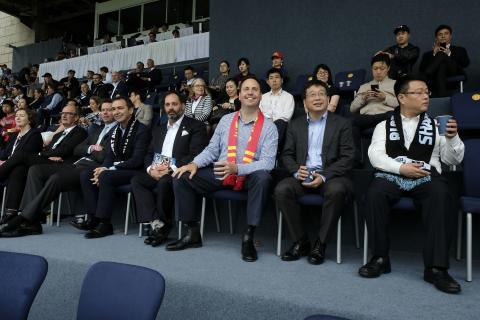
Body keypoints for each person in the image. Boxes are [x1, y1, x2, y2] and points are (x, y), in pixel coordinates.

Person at [359, 75, 464, 294]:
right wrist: (400, 169)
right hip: (393, 174)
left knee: (442, 193)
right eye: (419, 92)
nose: (426, 96)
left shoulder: (436, 125)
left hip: (426, 176)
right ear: (402, 98)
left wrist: (453, 139)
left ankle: (436, 268)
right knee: (374, 193)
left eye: (427, 92)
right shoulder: (383, 125)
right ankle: (380, 258)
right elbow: (375, 156)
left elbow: (452, 160)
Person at [167, 76, 278, 262]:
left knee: (263, 177)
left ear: (261, 96)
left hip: (248, 175)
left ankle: (248, 237)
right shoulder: (226, 120)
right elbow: (212, 150)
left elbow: (268, 163)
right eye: (246, 89)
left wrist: (238, 168)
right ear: (239, 95)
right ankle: (192, 232)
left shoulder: (270, 127)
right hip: (221, 172)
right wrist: (194, 164)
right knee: (182, 176)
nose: (250, 92)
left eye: (255, 89)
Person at [2, 100, 117, 237]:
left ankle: (25, 218)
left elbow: (94, 154)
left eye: (109, 110)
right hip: (72, 164)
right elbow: (78, 150)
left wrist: (88, 149)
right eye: (63, 113)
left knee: (25, 160)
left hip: (80, 166)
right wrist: (92, 148)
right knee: (30, 170)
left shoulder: (84, 131)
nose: (105, 112)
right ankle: (30, 221)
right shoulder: (95, 130)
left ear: (76, 118)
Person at [275, 79, 354, 264]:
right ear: (304, 102)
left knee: (336, 191)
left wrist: (324, 175)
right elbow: (286, 154)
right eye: (312, 94)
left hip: (331, 175)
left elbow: (348, 157)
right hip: (303, 174)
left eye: (321, 94)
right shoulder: (295, 125)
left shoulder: (342, 123)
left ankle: (320, 244)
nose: (317, 98)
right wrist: (296, 171)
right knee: (282, 189)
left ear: (328, 99)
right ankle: (300, 241)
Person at [132, 91, 208, 247]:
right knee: (137, 180)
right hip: (156, 170)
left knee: (165, 182)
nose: (171, 108)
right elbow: (148, 153)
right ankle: (156, 222)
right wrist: (150, 170)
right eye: (167, 105)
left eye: (174, 104)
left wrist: (170, 168)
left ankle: (164, 227)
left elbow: (196, 153)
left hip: (177, 171)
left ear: (181, 105)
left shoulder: (196, 126)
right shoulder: (158, 129)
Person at [0, 104, 87, 231]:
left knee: (20, 156)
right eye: (62, 113)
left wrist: (46, 154)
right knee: (21, 169)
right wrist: (49, 153)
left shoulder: (80, 132)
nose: (64, 115)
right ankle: (24, 216)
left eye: (69, 113)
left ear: (76, 117)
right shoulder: (58, 134)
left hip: (64, 166)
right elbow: (50, 150)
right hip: (49, 162)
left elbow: (65, 150)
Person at [78, 97, 150, 238]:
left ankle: (105, 224)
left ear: (130, 110)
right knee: (87, 174)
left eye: (120, 108)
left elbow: (137, 160)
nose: (116, 112)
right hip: (118, 170)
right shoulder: (115, 131)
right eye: (113, 109)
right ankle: (94, 218)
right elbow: (110, 157)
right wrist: (102, 169)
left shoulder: (141, 130)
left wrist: (108, 170)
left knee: (106, 175)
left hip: (136, 171)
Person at [350, 54, 398, 164]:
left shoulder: (395, 84)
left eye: (382, 68)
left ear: (388, 68)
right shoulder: (364, 87)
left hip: (385, 115)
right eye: (375, 68)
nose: (378, 72)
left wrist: (385, 97)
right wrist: (363, 98)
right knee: (350, 121)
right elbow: (352, 109)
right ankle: (356, 160)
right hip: (367, 117)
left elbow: (402, 104)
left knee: (394, 116)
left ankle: (393, 158)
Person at [419, 24, 470, 97]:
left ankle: (426, 76)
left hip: (453, 72)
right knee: (442, 66)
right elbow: (421, 69)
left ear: (450, 36)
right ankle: (442, 96)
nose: (443, 36)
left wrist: (449, 54)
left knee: (441, 54)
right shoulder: (428, 54)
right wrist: (434, 54)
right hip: (436, 76)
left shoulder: (460, 50)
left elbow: (466, 63)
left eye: (446, 33)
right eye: (440, 34)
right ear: (436, 38)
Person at [259, 68, 294, 151]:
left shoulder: (288, 97)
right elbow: (259, 112)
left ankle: (270, 150)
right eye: (271, 78)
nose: (274, 80)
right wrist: (268, 120)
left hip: (281, 128)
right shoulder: (263, 97)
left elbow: (287, 116)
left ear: (282, 80)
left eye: (277, 77)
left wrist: (272, 120)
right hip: (264, 126)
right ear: (267, 82)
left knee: (281, 122)